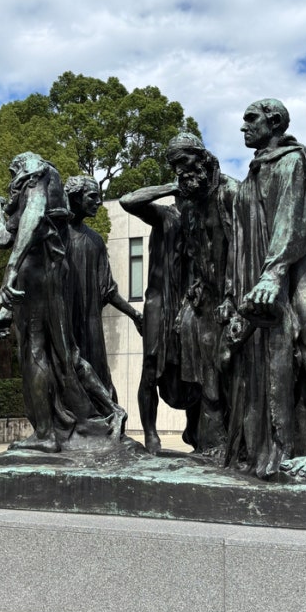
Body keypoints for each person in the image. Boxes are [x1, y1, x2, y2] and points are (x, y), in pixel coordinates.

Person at [222, 98, 306, 482]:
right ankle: (270, 446)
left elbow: (292, 223)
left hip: (298, 275)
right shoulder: (255, 172)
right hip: (269, 279)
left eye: (251, 119)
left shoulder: (293, 162)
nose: (243, 127)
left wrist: (273, 274)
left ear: (274, 121)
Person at [0, 152, 124, 452]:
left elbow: (33, 217)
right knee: (65, 353)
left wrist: (10, 270)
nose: (13, 178)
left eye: (13, 171)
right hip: (43, 276)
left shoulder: (36, 172)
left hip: (35, 275)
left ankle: (46, 434)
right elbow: (3, 238)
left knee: (35, 352)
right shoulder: (45, 184)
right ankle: (111, 411)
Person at [165, 132, 238, 456]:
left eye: (183, 162)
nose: (180, 172)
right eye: (175, 167)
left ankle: (237, 445)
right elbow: (197, 257)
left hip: (235, 301)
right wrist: (190, 296)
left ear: (201, 157)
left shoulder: (232, 193)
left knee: (231, 374)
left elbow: (246, 249)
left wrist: (234, 297)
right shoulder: (191, 207)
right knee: (207, 380)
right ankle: (211, 445)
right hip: (206, 301)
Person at [119, 180, 197, 454]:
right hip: (160, 303)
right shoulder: (165, 215)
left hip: (193, 305)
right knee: (151, 367)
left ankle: (195, 430)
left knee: (196, 367)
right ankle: (151, 434)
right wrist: (172, 186)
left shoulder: (204, 220)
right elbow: (128, 201)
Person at [64, 175, 143, 398]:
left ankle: (108, 426)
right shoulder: (54, 236)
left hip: (91, 326)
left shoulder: (96, 241)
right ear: (75, 198)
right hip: (63, 323)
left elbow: (108, 290)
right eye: (92, 196)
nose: (98, 202)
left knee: (100, 379)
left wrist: (135, 314)